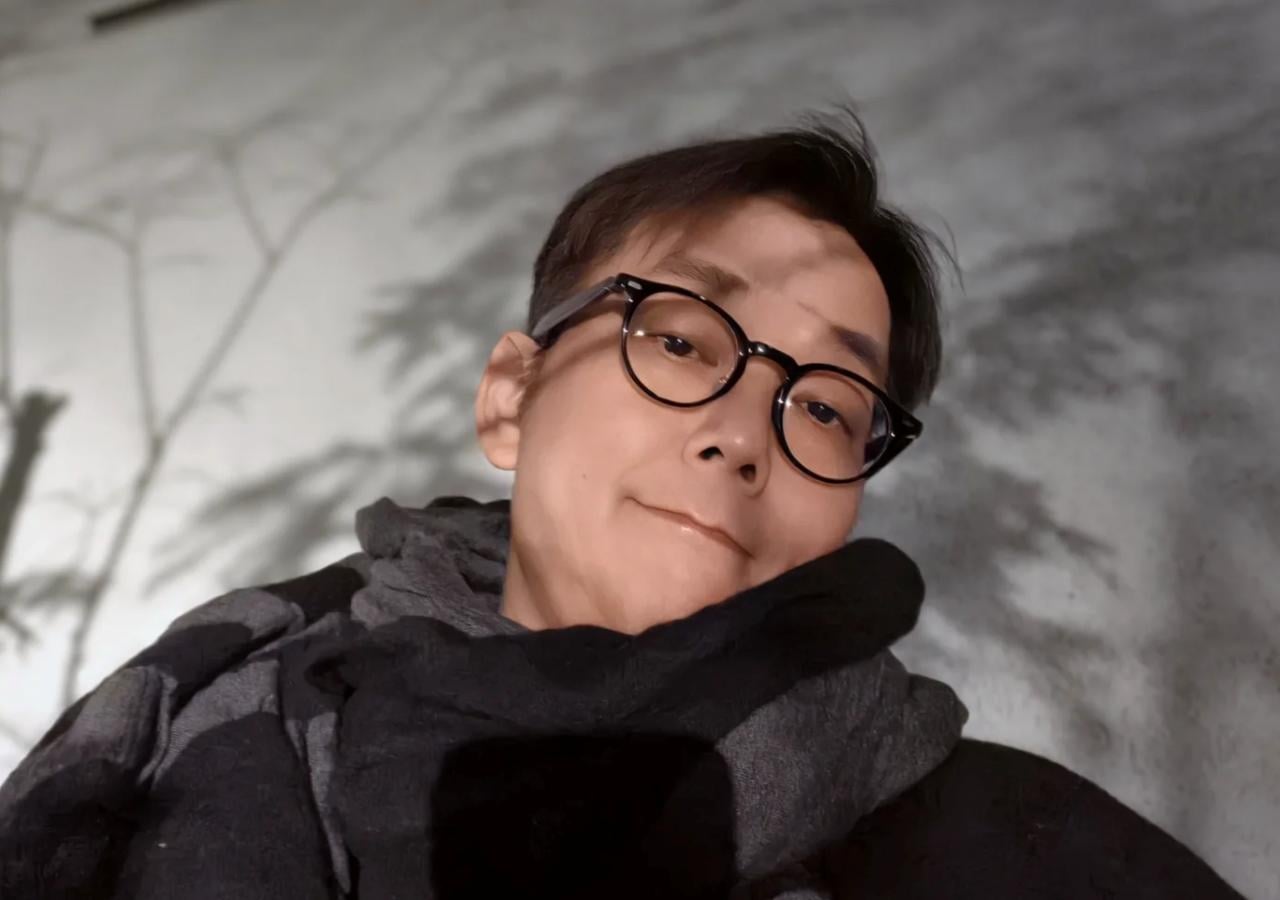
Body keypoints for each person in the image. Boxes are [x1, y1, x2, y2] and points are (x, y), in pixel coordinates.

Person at [0, 110, 1247, 900]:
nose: (742, 435)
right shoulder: (199, 730)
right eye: (684, 338)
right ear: (512, 396)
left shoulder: (1015, 848)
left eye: (824, 406)